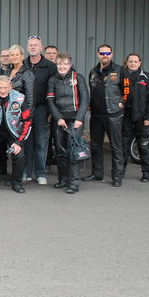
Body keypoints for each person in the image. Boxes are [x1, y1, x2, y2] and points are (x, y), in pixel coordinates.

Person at [0, 76, 32, 194]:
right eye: (0, 88)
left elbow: (28, 121)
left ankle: (16, 183)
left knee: (20, 156)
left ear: (11, 87)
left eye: (6, 88)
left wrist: (20, 142)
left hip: (14, 132)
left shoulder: (20, 98)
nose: (3, 90)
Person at [46, 52, 89, 193]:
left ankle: (74, 183)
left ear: (70, 65)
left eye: (65, 64)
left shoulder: (78, 78)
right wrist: (58, 118)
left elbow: (84, 99)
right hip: (59, 119)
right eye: (59, 64)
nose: (62, 66)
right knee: (59, 151)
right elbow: (50, 101)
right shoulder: (53, 80)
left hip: (74, 119)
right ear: (56, 65)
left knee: (73, 151)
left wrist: (79, 118)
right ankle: (63, 179)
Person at [85, 44, 126, 187]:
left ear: (112, 54)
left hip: (113, 115)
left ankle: (117, 176)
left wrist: (121, 105)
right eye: (102, 53)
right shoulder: (93, 72)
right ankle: (97, 173)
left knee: (116, 146)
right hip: (96, 115)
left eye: (107, 53)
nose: (105, 55)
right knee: (95, 146)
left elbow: (127, 91)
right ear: (98, 54)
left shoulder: (120, 71)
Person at [23, 35, 57, 185]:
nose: (33, 47)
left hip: (42, 108)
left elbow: (53, 90)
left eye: (36, 45)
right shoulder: (23, 65)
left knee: (41, 141)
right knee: (27, 141)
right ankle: (27, 172)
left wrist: (51, 112)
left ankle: (41, 173)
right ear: (27, 47)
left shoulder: (50, 67)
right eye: (31, 45)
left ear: (41, 47)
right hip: (25, 109)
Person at [121, 53, 149, 182]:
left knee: (143, 145)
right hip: (125, 116)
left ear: (140, 62)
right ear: (126, 62)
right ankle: (120, 171)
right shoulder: (122, 76)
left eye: (135, 61)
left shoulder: (147, 77)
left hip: (142, 118)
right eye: (130, 61)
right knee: (123, 145)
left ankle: (147, 172)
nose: (133, 64)